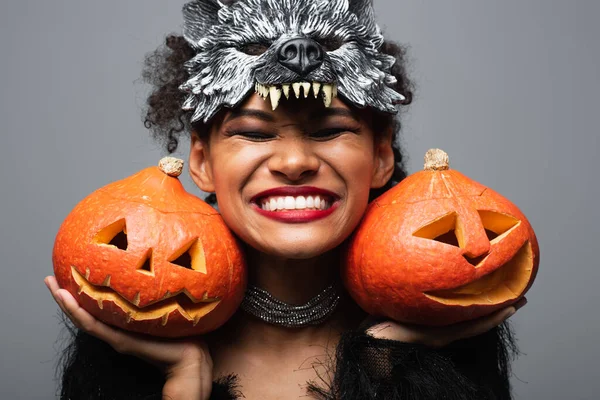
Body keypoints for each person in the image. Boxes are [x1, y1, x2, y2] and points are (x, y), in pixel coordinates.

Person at [45, 1, 526, 399]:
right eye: (253, 134)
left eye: (332, 130)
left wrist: (383, 366)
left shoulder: (446, 322)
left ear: (380, 156)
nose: (294, 162)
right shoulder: (135, 324)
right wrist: (182, 385)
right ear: (201, 161)